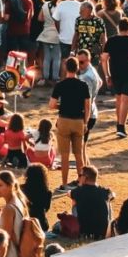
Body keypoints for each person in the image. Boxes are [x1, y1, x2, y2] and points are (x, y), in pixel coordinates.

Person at [50, 62, 89, 192]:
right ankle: (81, 183)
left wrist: (62, 106)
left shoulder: (60, 85)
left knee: (65, 155)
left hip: (64, 120)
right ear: (77, 68)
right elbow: (87, 106)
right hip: (78, 120)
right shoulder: (83, 85)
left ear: (66, 68)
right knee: (79, 154)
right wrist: (85, 122)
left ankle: (65, 184)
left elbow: (52, 104)